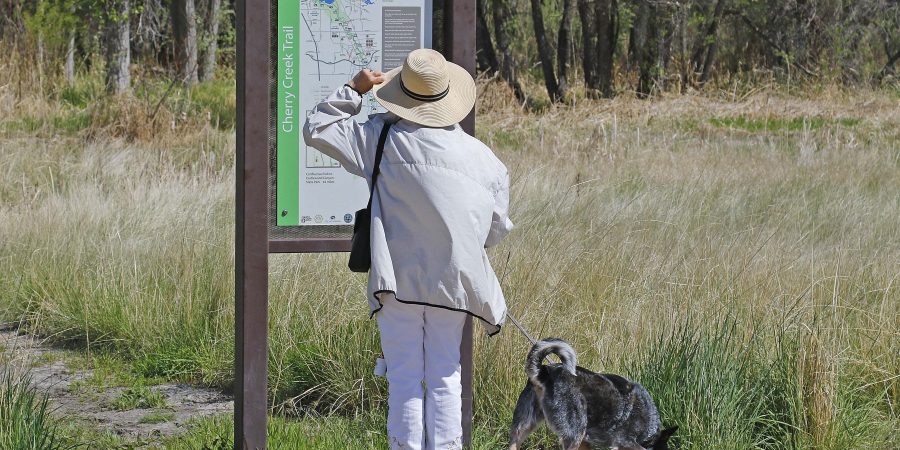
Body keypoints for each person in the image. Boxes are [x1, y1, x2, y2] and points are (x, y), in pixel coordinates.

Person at [304, 48, 513, 450]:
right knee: (445, 377)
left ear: (403, 94)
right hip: (454, 284)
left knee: (403, 377)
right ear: (448, 97)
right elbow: (494, 230)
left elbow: (318, 127)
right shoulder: (485, 160)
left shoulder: (379, 139)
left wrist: (354, 88)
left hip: (395, 282)